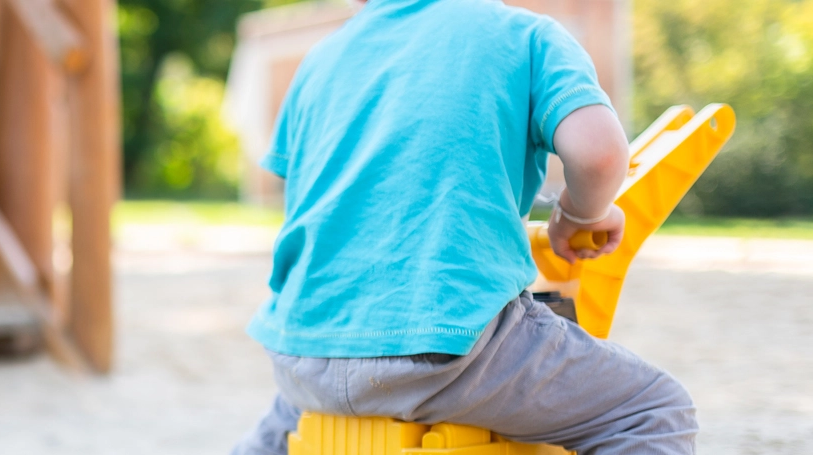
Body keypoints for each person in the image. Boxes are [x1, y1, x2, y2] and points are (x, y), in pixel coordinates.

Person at [233, 0, 696, 454]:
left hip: (303, 357)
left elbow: (321, 191)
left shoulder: (319, 61)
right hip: (448, 349)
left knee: (274, 437)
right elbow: (600, 154)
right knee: (652, 410)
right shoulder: (526, 35)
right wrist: (581, 214)